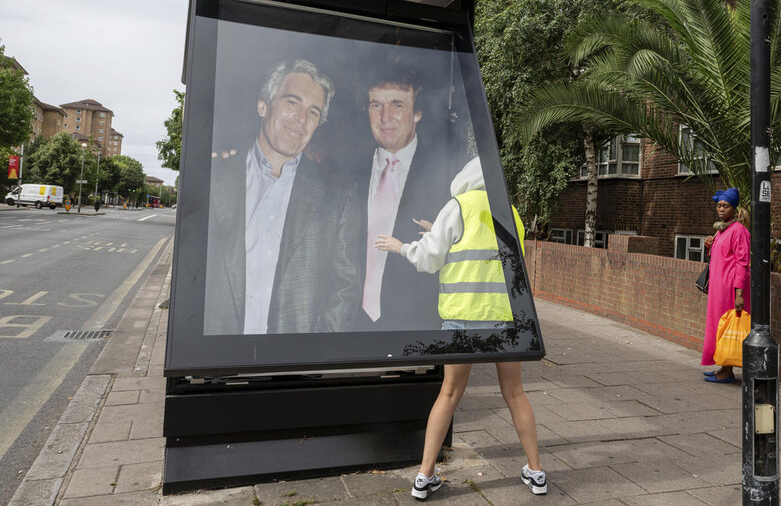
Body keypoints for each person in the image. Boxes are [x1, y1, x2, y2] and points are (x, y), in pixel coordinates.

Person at [375, 157, 546, 498]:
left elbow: (429, 259)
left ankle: (425, 477)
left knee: (449, 393)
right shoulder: (508, 211)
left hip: (461, 319)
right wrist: (436, 230)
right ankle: (537, 472)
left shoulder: (456, 207)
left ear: (465, 178)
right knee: (515, 393)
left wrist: (401, 247)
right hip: (504, 321)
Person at [204, 59, 362, 335]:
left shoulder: (338, 195)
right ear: (263, 105)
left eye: (313, 112)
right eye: (292, 102)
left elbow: (346, 288)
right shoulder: (213, 178)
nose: (301, 119)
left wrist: (313, 356)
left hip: (296, 369)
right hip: (220, 365)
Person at [356, 68, 451, 331]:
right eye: (376, 105)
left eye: (397, 104)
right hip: (350, 321)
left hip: (413, 324)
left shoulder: (447, 175)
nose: (385, 117)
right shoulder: (344, 171)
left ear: (417, 113)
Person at [701, 188, 751, 383]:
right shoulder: (722, 229)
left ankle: (727, 371)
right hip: (718, 288)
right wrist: (709, 246)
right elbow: (720, 257)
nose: (721, 209)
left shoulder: (739, 231)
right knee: (718, 327)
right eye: (719, 206)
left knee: (727, 328)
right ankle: (722, 366)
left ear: (733, 207)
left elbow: (742, 263)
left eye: (725, 206)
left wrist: (739, 293)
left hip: (730, 289)